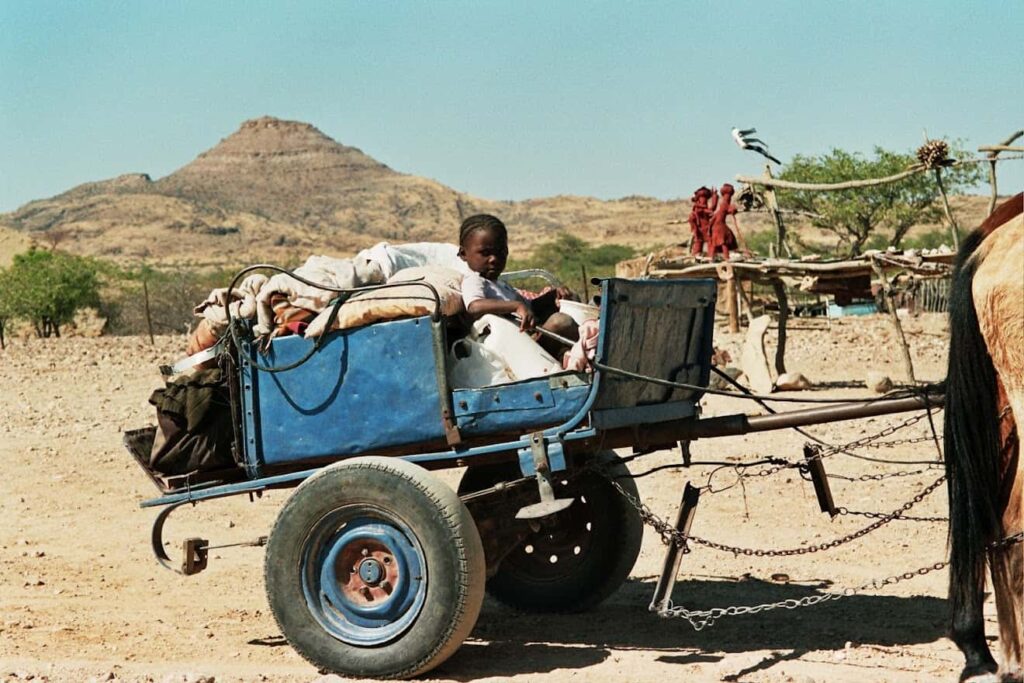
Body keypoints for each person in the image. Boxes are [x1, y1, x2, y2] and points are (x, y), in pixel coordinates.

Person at [457, 214, 578, 356]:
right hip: (515, 351)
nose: (494, 259)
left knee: (571, 297)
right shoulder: (474, 280)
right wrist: (516, 306)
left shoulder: (500, 285)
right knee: (560, 322)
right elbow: (474, 306)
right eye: (485, 253)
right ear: (463, 253)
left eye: (501, 252)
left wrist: (552, 296)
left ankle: (582, 347)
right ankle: (592, 349)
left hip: (528, 341)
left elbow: (530, 307)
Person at [707, 183, 748, 260]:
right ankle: (726, 257)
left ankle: (712, 257)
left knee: (718, 241)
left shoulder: (723, 204)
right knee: (724, 240)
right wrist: (734, 209)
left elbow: (724, 212)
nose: (728, 198)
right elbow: (730, 209)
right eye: (728, 196)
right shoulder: (725, 204)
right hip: (719, 225)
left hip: (716, 225)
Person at [687, 186, 714, 257]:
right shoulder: (697, 208)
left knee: (710, 243)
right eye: (702, 199)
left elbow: (712, 208)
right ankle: (694, 256)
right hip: (700, 230)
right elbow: (703, 211)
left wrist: (715, 196)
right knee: (698, 243)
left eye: (705, 200)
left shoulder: (704, 208)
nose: (704, 201)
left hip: (707, 229)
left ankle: (710, 256)